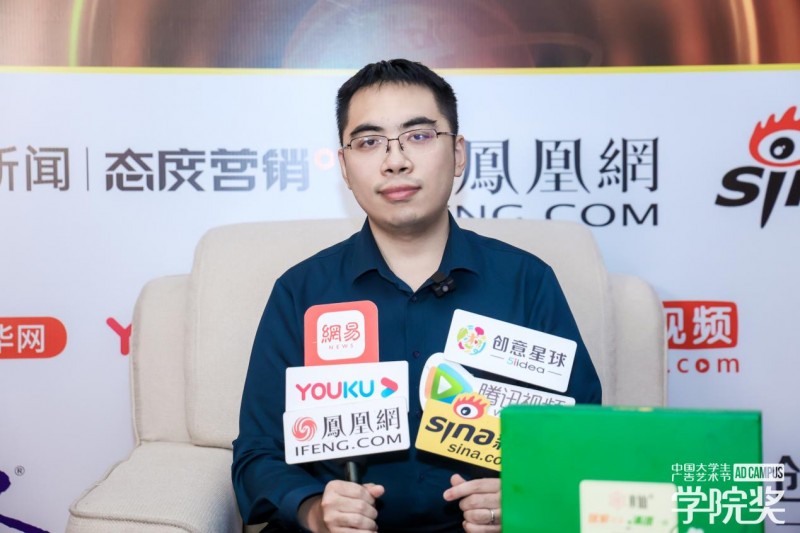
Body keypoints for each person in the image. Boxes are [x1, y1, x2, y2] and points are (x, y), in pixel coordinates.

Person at [232, 58, 601, 533]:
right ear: (344, 166)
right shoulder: (301, 292)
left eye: (419, 135)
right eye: (369, 142)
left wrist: (523, 493)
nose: (396, 160)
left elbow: (582, 435)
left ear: (459, 154)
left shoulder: (526, 281)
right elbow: (257, 453)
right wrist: (314, 510)